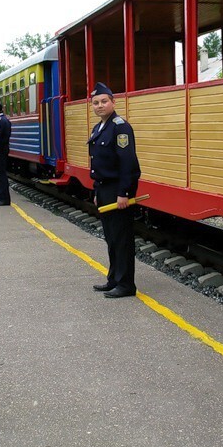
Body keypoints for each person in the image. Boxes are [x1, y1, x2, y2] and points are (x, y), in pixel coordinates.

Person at [89, 82, 141, 298]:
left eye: (104, 101)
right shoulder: (99, 128)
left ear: (113, 102)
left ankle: (126, 285)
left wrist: (124, 193)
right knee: (111, 238)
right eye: (96, 103)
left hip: (117, 191)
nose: (100, 106)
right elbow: (97, 162)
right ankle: (114, 279)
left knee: (122, 239)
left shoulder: (120, 127)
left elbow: (128, 164)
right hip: (104, 190)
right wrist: (95, 191)